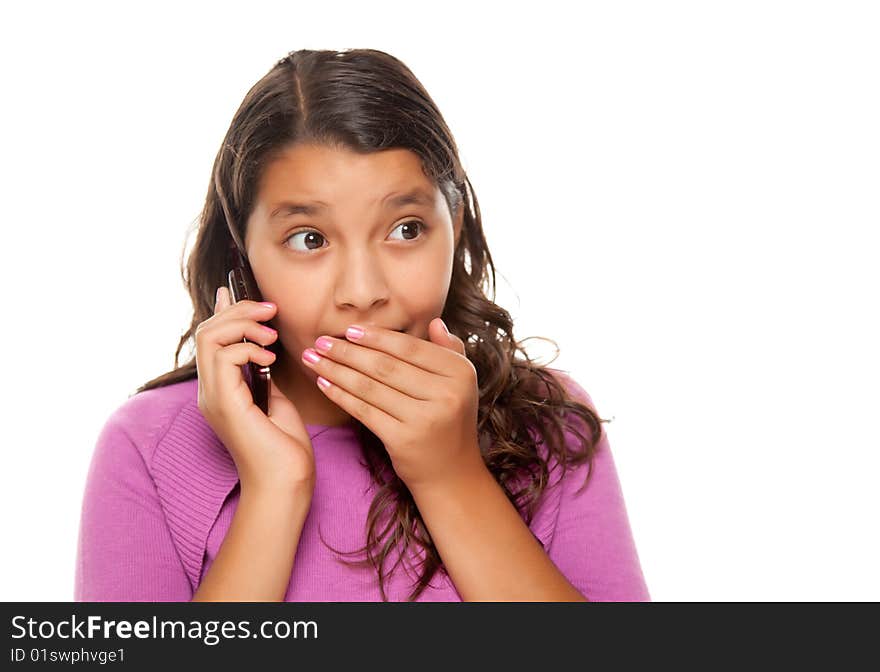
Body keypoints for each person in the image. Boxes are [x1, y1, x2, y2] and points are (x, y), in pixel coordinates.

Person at [74, 48, 650, 602]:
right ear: (241, 255)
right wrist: (274, 494)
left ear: (454, 225)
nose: (363, 293)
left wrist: (450, 476)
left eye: (405, 229)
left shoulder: (548, 426)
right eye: (310, 240)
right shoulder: (148, 447)